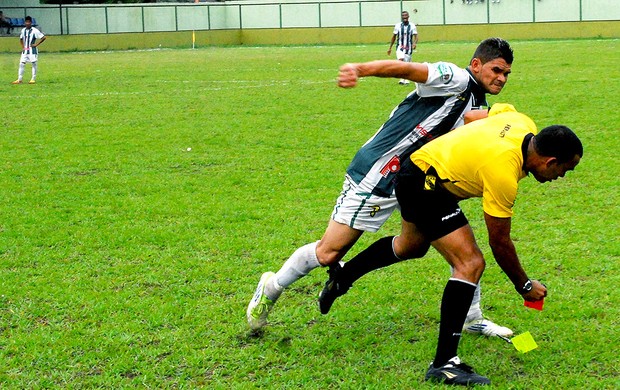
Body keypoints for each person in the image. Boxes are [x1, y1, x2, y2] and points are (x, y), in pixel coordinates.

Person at [247, 38, 514, 337]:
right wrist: (360, 69)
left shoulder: (480, 103)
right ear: (476, 64)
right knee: (328, 253)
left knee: (446, 249)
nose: (501, 78)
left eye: (506, 74)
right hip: (381, 171)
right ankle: (271, 287)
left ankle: (471, 316)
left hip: (418, 179)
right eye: (496, 70)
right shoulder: (456, 78)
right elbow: (407, 68)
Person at [320, 103, 583, 385]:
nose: (561, 177)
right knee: (470, 263)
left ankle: (343, 276)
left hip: (419, 168)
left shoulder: (520, 121)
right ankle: (444, 364)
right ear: (550, 161)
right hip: (424, 183)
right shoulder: (502, 172)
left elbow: (473, 116)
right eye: (565, 170)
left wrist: (463, 155)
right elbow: (500, 241)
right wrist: (525, 285)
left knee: (411, 246)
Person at [12, 16, 46, 85]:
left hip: (32, 50)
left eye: (28, 22)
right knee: (21, 63)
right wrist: (23, 47)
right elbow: (21, 39)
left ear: (31, 22)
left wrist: (36, 44)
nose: (27, 23)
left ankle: (33, 79)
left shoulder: (35, 30)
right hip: (25, 50)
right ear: (24, 23)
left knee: (33, 63)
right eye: (26, 22)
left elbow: (43, 37)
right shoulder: (23, 30)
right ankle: (19, 79)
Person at [387, 11, 418, 85]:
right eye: (403, 16)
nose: (404, 17)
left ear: (408, 16)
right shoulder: (398, 26)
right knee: (400, 61)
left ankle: (406, 79)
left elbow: (416, 36)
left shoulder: (412, 26)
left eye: (406, 15)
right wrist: (390, 47)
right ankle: (402, 79)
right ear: (402, 17)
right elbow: (394, 37)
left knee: (406, 64)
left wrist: (414, 43)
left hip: (408, 47)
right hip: (400, 47)